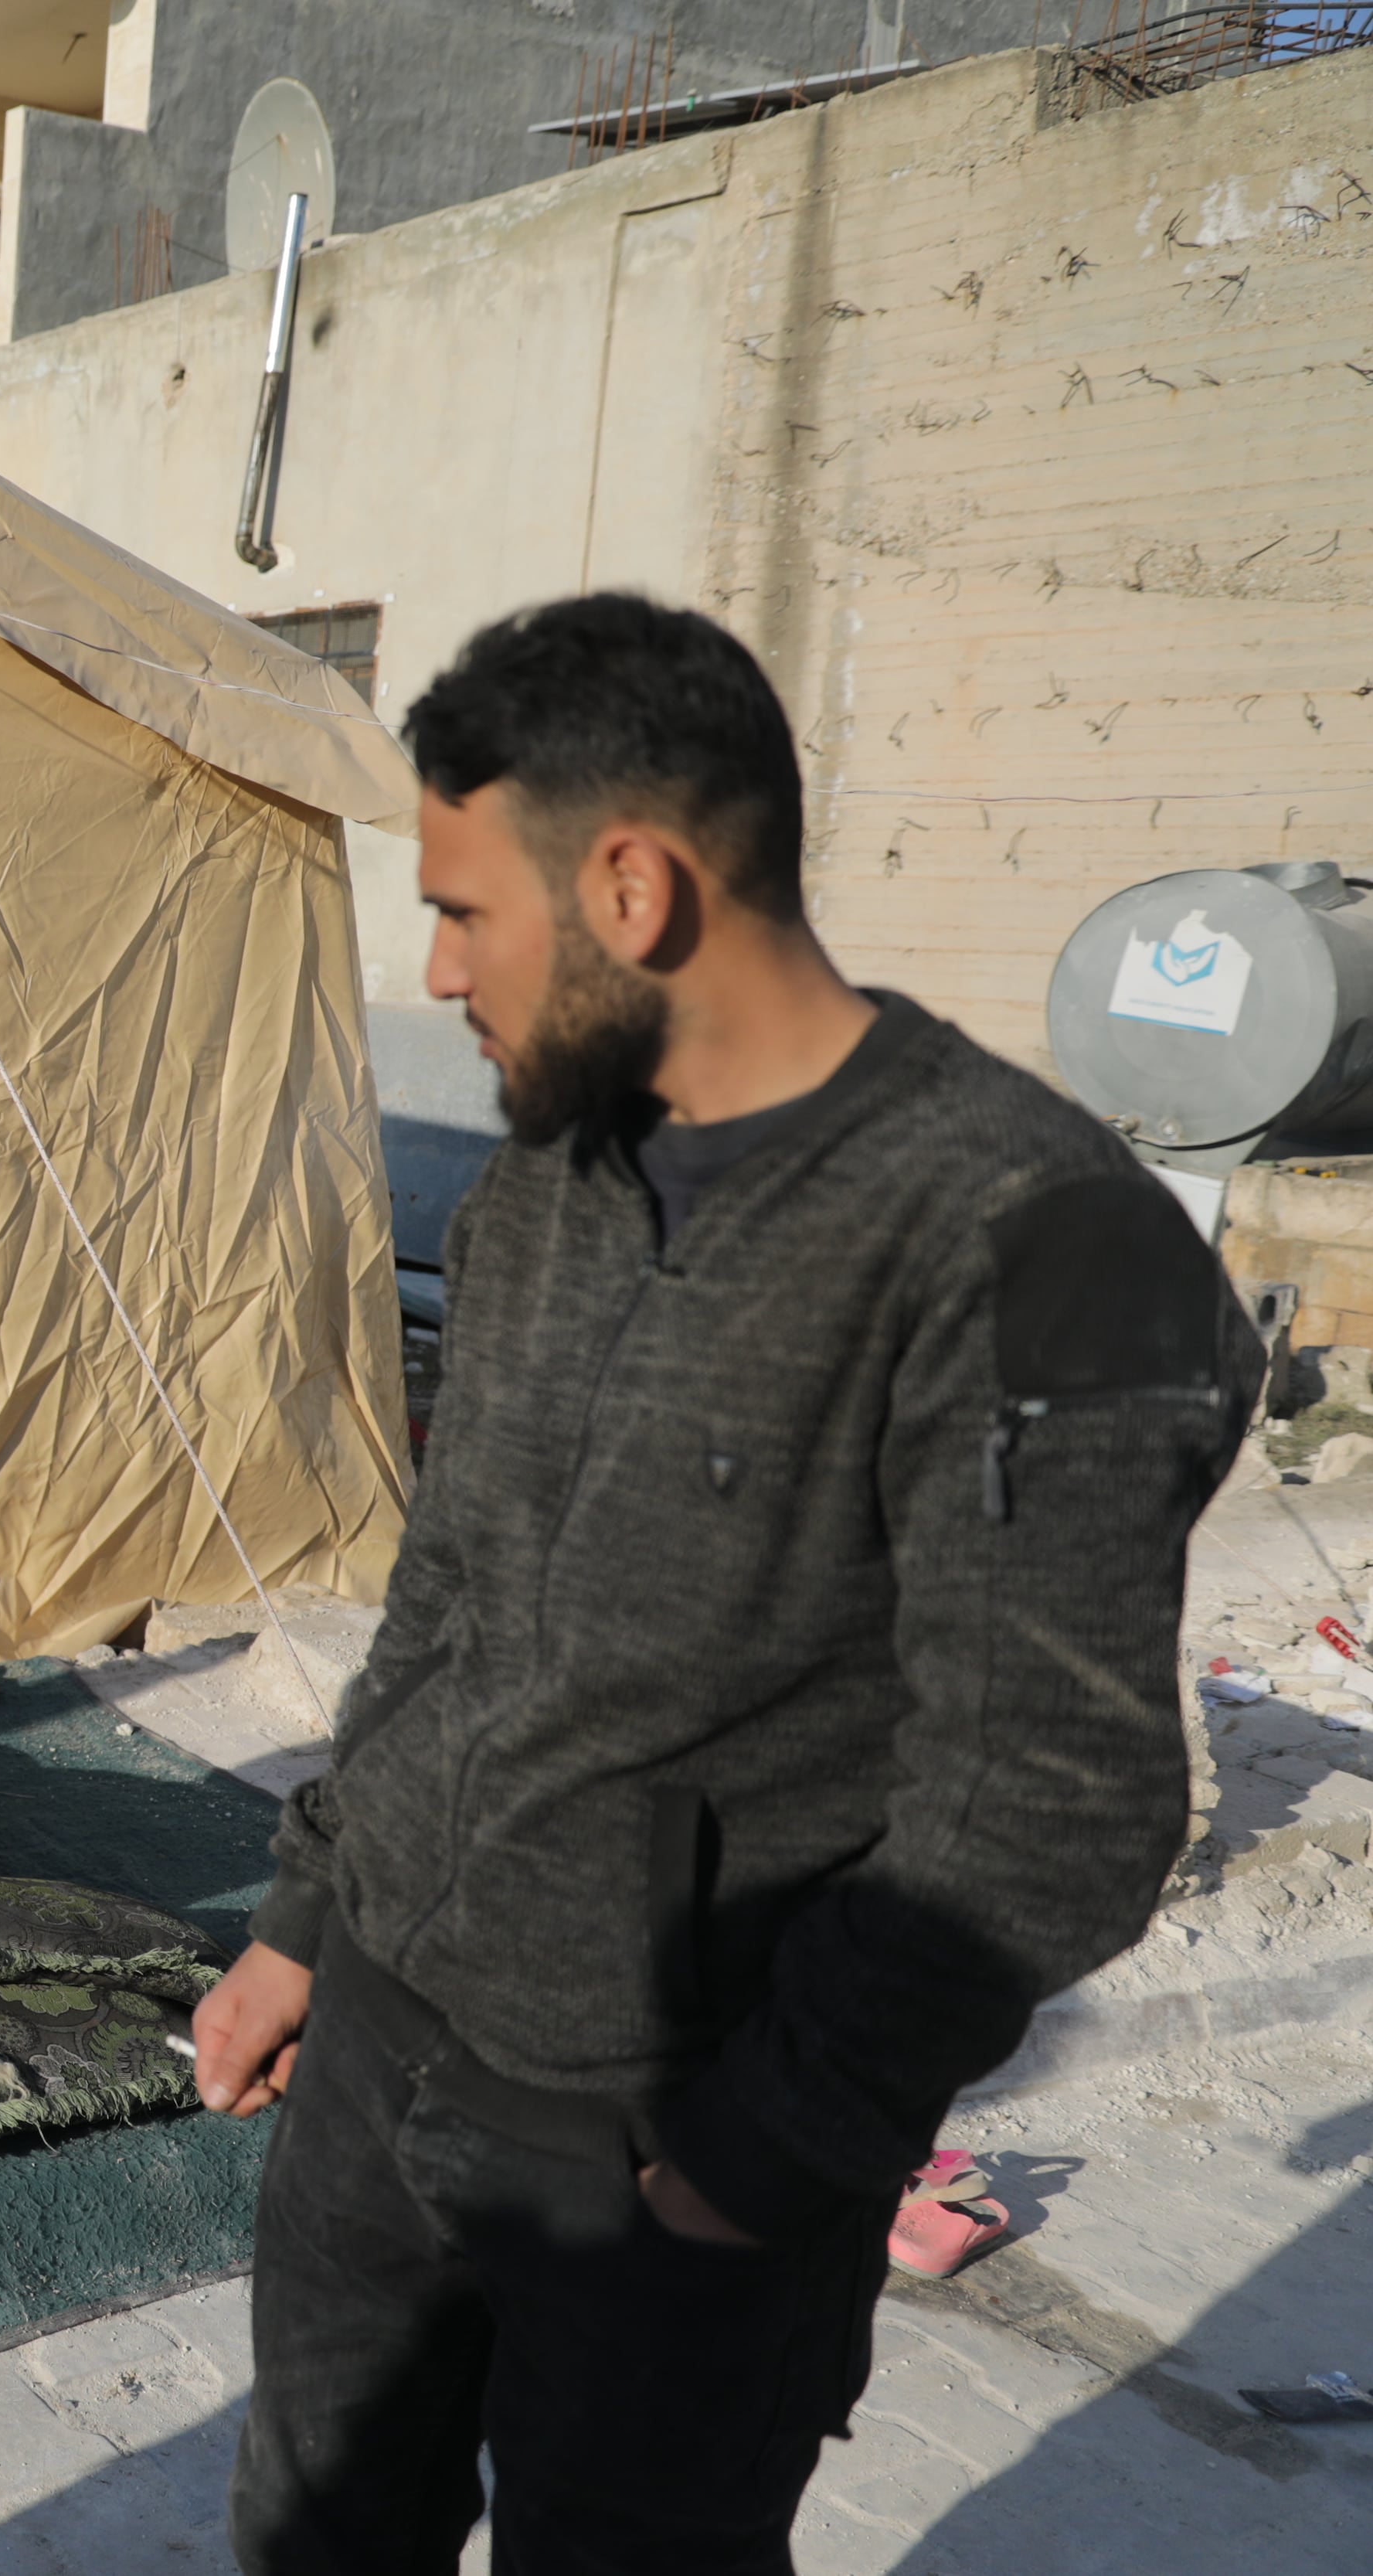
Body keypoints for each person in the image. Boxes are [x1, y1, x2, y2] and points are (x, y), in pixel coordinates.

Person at [192, 594, 1259, 2574]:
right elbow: (447, 1597)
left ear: (631, 885)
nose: (429, 973)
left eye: (458, 911)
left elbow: (1050, 1802)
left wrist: (765, 2156)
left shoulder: (1037, 1238)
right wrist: (305, 1913)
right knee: (310, 2531)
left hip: (665, 2153)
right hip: (378, 2056)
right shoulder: (547, 1181)